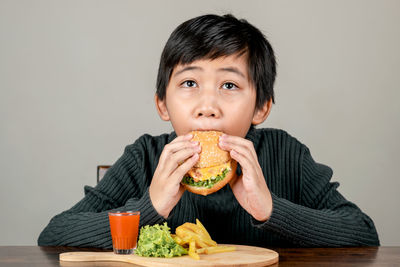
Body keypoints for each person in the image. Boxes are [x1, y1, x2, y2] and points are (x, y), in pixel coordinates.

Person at [38, 13, 379, 248]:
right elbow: (55, 234)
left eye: (229, 85)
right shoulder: (145, 157)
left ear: (261, 107)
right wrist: (149, 208)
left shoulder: (286, 153)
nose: (208, 106)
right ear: (162, 104)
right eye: (189, 82)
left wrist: (270, 209)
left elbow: (364, 234)